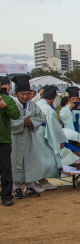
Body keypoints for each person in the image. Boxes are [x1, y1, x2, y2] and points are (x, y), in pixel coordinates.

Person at [9, 76, 46, 198]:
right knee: (15, 161)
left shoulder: (33, 105)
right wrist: (21, 123)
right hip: (15, 138)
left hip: (29, 136)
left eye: (27, 94)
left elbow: (40, 117)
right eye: (22, 94)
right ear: (16, 94)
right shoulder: (11, 105)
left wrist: (31, 122)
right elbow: (7, 121)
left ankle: (30, 186)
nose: (25, 96)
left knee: (31, 160)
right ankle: (16, 187)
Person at [33, 86, 65, 190]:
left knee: (36, 159)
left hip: (34, 134)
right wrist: (61, 140)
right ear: (52, 99)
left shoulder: (35, 104)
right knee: (45, 159)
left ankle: (41, 181)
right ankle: (32, 183)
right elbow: (55, 127)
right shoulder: (47, 109)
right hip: (42, 135)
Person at [0, 76, 20, 206]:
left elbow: (16, 115)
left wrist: (5, 106)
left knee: (5, 169)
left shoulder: (8, 99)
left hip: (3, 140)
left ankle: (6, 195)